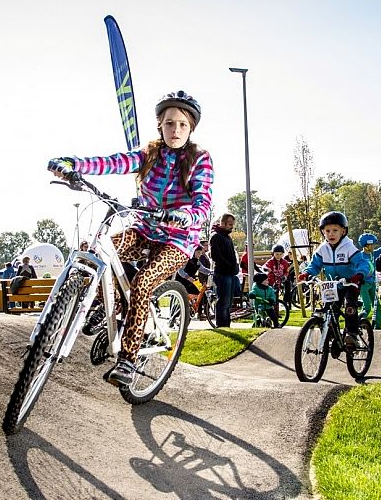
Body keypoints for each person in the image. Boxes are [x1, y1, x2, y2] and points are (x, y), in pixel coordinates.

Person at [48, 89, 213, 387]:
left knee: (143, 281)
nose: (175, 130)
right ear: (159, 125)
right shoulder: (149, 154)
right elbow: (112, 162)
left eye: (182, 125)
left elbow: (203, 201)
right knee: (97, 248)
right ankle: (104, 307)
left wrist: (185, 215)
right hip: (145, 229)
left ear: (191, 128)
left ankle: (128, 360)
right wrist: (71, 163)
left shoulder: (199, 159)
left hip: (177, 239)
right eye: (169, 123)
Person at [297, 211, 370, 350]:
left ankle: (352, 334)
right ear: (323, 232)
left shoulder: (349, 247)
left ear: (343, 231)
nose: (331, 234)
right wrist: (306, 273)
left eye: (335, 230)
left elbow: (362, 263)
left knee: (350, 307)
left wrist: (360, 274)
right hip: (332, 284)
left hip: (351, 283)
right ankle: (331, 334)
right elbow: (315, 265)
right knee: (329, 309)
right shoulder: (322, 249)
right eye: (327, 231)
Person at [354, 226, 381, 330]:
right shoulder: (359, 256)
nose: (373, 246)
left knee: (377, 306)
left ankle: (377, 326)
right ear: (366, 245)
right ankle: (356, 325)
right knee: (367, 307)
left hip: (372, 284)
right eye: (372, 244)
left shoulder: (373, 254)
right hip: (364, 285)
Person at [210, 213, 241, 328]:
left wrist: (235, 266)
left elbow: (232, 254)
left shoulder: (227, 237)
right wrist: (228, 265)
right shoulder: (216, 237)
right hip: (222, 273)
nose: (231, 227)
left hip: (231, 273)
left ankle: (226, 324)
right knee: (223, 301)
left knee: (228, 302)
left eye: (232, 225)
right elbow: (215, 255)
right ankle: (221, 324)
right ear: (222, 223)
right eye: (229, 224)